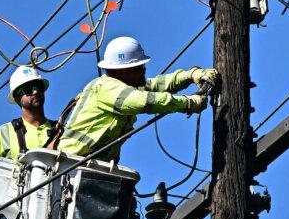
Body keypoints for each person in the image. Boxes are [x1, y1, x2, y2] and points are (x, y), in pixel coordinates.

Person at [53, 36, 217, 163]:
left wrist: (190, 75)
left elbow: (158, 84)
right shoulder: (105, 87)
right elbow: (145, 101)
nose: (144, 69)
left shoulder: (124, 87)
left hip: (91, 166)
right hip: (71, 163)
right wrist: (187, 103)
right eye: (139, 66)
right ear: (124, 71)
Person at [0, 65, 56, 160]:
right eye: (28, 88)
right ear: (17, 97)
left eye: (38, 87)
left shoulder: (59, 130)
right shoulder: (3, 133)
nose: (35, 91)